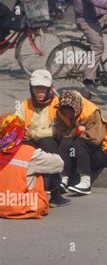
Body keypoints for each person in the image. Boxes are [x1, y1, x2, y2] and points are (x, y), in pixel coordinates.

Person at [15, 69, 70, 206]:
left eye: (43, 88)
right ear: (31, 88)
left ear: (50, 89)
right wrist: (22, 131)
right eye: (36, 88)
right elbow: (16, 122)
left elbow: (57, 130)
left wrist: (33, 133)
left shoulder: (58, 104)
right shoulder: (25, 104)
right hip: (31, 141)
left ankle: (55, 193)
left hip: (53, 142)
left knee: (47, 143)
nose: (39, 92)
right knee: (22, 147)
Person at [55, 90, 107, 195]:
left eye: (70, 111)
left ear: (76, 107)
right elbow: (60, 133)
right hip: (81, 153)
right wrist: (76, 131)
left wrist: (74, 134)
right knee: (65, 142)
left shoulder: (92, 112)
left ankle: (85, 182)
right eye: (65, 111)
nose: (68, 115)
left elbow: (94, 138)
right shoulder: (60, 112)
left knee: (80, 142)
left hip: (103, 152)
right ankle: (64, 179)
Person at [0, 114, 64, 219]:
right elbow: (58, 163)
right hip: (20, 204)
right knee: (48, 170)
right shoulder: (28, 152)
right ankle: (55, 198)